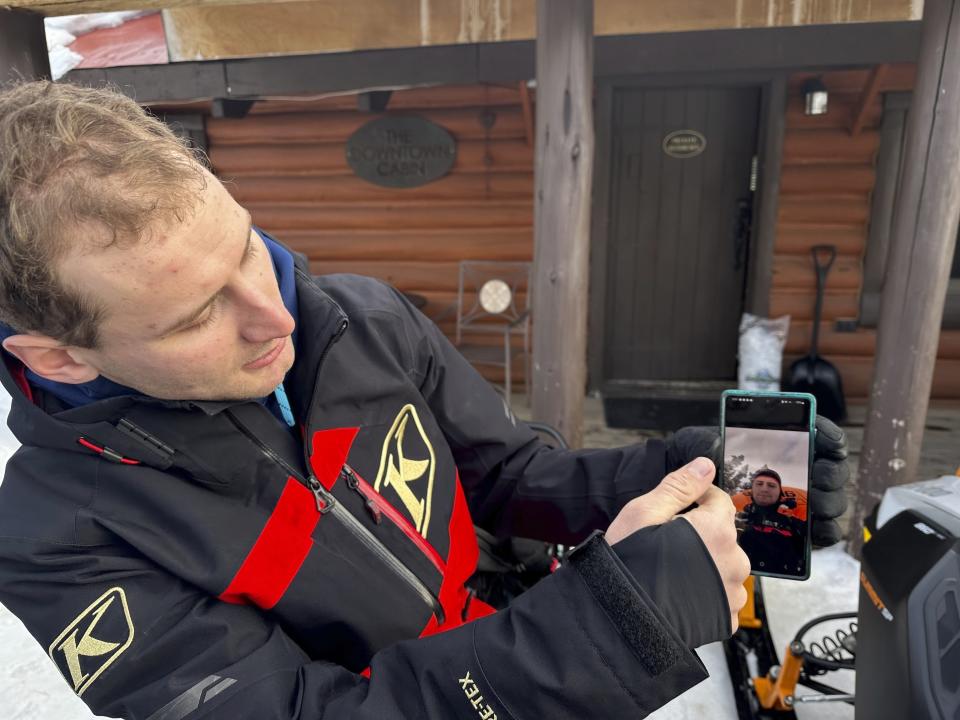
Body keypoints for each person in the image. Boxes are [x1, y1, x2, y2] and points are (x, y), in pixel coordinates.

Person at [0, 80, 848, 720]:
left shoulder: (355, 320)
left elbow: (510, 476)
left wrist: (672, 470)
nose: (274, 312)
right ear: (59, 358)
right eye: (195, 316)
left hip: (525, 642)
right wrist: (604, 630)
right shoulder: (58, 540)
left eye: (248, 247)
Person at [736, 468, 807, 573]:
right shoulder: (736, 513)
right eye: (759, 484)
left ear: (780, 493)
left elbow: (808, 540)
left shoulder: (793, 517)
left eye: (771, 485)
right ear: (752, 489)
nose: (764, 489)